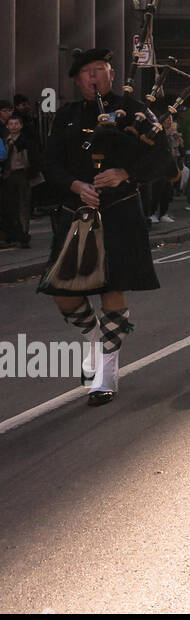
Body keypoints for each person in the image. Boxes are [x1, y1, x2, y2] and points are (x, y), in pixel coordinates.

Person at [36, 49, 173, 405]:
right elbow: (49, 163)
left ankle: (107, 373)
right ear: (78, 79)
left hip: (120, 209)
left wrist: (127, 173)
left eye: (102, 70)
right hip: (77, 210)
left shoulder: (137, 111)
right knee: (62, 290)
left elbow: (162, 158)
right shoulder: (65, 117)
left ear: (112, 75)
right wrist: (75, 186)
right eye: (88, 71)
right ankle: (97, 339)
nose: (95, 76)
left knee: (111, 287)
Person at [1, 112, 41, 247]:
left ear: (21, 126)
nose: (13, 126)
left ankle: (24, 235)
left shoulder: (26, 141)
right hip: (8, 175)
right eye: (11, 124)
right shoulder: (5, 141)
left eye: (16, 124)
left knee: (23, 206)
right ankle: (13, 234)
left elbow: (34, 159)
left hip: (22, 174)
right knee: (9, 206)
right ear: (7, 126)